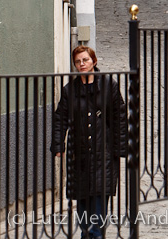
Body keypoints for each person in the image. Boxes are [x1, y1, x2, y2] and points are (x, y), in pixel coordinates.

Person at [51, 46, 127, 239]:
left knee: (98, 217)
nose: (82, 64)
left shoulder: (109, 85)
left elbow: (120, 117)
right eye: (78, 61)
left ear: (94, 61)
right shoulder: (70, 91)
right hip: (80, 160)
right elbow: (60, 118)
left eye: (85, 60)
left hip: (104, 157)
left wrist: (119, 148)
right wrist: (58, 144)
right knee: (84, 217)